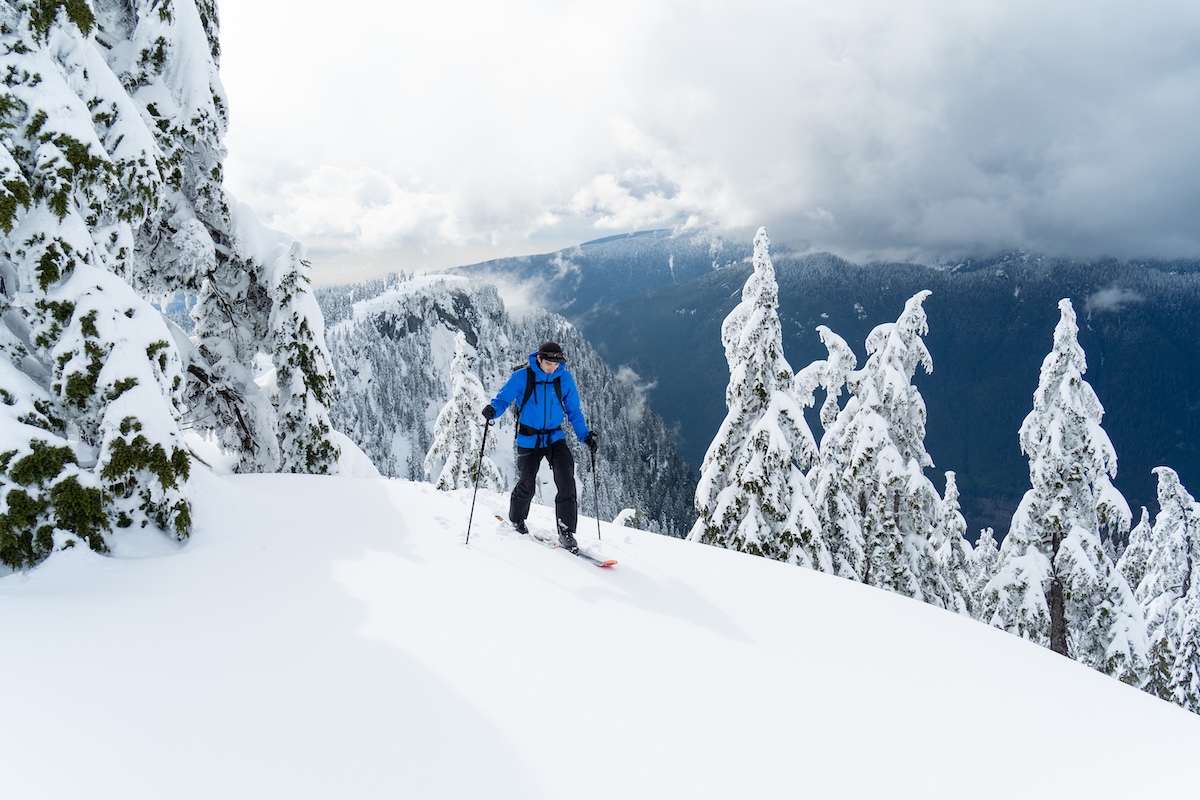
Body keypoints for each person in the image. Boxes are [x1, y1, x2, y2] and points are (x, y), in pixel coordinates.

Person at [482, 341, 598, 553]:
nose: (553, 367)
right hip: (528, 437)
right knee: (527, 482)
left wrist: (585, 436)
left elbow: (573, 411)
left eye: (556, 363)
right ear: (539, 358)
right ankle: (517, 519)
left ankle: (566, 531)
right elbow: (502, 400)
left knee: (566, 478)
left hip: (554, 436)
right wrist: (492, 411)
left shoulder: (564, 379)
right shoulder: (522, 377)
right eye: (549, 363)